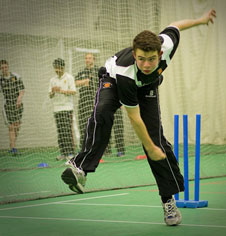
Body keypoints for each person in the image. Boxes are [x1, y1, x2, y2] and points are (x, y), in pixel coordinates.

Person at [61, 9, 216, 226]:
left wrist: (201, 20)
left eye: (151, 59)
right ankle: (80, 167)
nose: (146, 64)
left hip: (147, 86)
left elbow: (176, 24)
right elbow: (134, 118)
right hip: (115, 80)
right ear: (134, 55)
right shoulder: (126, 70)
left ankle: (168, 201)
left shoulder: (167, 44)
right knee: (104, 110)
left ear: (160, 54)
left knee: (158, 141)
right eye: (141, 59)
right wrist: (149, 148)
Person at [75, 53, 125, 156]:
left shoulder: (100, 71)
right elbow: (75, 83)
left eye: (89, 58)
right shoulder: (82, 72)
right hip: (86, 103)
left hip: (101, 101)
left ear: (94, 59)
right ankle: (91, 150)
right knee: (91, 126)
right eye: (86, 58)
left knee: (108, 124)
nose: (87, 60)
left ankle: (114, 150)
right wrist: (85, 81)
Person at [49, 58, 76, 161]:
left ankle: (70, 152)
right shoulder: (52, 80)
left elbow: (73, 91)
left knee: (67, 131)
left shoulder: (69, 77)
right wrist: (53, 91)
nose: (57, 70)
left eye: (59, 68)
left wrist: (61, 90)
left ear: (63, 67)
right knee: (60, 131)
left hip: (67, 107)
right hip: (57, 108)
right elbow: (50, 95)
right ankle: (63, 153)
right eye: (56, 68)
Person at [0, 60, 25, 155]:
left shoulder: (15, 76)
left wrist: (19, 99)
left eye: (5, 67)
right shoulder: (1, 79)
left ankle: (13, 145)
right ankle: (13, 147)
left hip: (17, 105)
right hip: (7, 105)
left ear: (8, 67)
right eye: (2, 68)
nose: (4, 69)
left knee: (17, 126)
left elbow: (22, 89)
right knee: (11, 127)